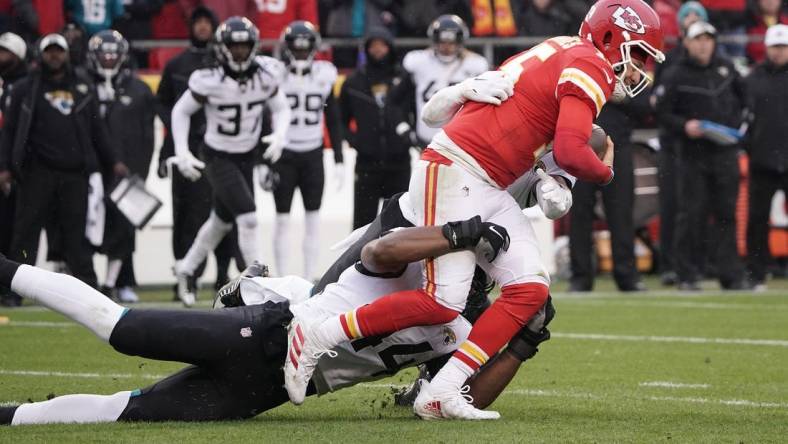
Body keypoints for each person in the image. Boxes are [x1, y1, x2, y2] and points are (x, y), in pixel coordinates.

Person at [284, 0, 665, 420]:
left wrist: (557, 180)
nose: (641, 70)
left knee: (531, 286)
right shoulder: (588, 62)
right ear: (611, 38)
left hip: (487, 182)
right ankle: (319, 333)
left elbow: (557, 151)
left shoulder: (566, 49)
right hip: (455, 167)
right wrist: (606, 173)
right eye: (640, 55)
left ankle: (442, 392)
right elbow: (572, 150)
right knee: (444, 302)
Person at [0, 214, 551, 424]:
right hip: (268, 334)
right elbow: (379, 250)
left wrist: (523, 344)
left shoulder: (467, 331)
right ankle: (6, 271)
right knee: (122, 330)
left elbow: (460, 397)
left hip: (274, 391)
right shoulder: (417, 267)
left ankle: (9, 417)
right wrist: (456, 233)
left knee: (129, 413)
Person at [170, 16, 291, 306]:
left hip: (245, 156)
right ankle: (257, 285)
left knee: (220, 221)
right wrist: (182, 150)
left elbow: (282, 107)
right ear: (223, 47)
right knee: (248, 217)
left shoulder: (265, 75)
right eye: (234, 46)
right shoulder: (209, 78)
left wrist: (280, 135)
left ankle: (186, 269)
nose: (239, 52)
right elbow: (180, 111)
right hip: (217, 154)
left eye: (244, 46)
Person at [0, 34, 128, 306]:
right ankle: (12, 293)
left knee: (76, 237)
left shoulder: (81, 86)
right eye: (50, 52)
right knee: (25, 235)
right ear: (41, 54)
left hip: (74, 175)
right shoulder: (26, 88)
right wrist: (5, 168)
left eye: (59, 51)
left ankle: (89, 292)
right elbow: (9, 131)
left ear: (67, 54)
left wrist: (113, 160)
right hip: (36, 173)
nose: (54, 56)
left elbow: (98, 130)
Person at [655, 21, 748, 291]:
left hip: (725, 151)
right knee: (691, 214)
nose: (703, 44)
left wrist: (740, 127)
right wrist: (684, 126)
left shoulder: (727, 68)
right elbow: (661, 112)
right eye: (698, 39)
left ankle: (730, 274)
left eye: (708, 38)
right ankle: (688, 273)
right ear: (686, 42)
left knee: (726, 213)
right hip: (692, 154)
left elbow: (747, 101)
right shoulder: (676, 74)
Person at [156, 6, 240, 295]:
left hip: (222, 149)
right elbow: (165, 106)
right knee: (187, 215)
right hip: (188, 149)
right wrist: (169, 152)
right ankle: (186, 274)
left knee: (228, 212)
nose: (203, 28)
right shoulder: (177, 65)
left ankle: (223, 274)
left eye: (208, 23)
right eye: (198, 23)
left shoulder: (227, 65)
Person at [267, 20, 344, 281]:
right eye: (296, 49)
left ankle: (310, 278)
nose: (300, 54)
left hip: (312, 153)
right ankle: (280, 278)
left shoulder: (324, 74)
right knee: (281, 218)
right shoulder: (275, 73)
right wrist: (261, 159)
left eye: (304, 49)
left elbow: (333, 117)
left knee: (313, 218)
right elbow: (263, 115)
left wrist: (339, 159)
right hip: (283, 154)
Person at [87, 30, 156, 303]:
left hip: (125, 169)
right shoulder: (82, 84)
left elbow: (147, 135)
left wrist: (141, 170)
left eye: (112, 55)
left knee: (124, 227)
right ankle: (85, 278)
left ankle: (118, 281)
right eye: (103, 55)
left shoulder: (138, 89)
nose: (107, 59)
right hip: (89, 169)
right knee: (85, 226)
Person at [569, 99, 648, 293]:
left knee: (621, 212)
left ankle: (627, 275)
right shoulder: (579, 71)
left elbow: (645, 106)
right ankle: (580, 277)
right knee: (579, 212)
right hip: (580, 144)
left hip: (618, 142)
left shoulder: (624, 71)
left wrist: (621, 97)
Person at [339, 27, 412, 229]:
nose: (378, 49)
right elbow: (340, 118)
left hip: (399, 162)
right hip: (367, 163)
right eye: (373, 45)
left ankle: (401, 263)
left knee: (400, 225)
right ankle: (359, 261)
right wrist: (356, 141)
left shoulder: (404, 79)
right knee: (363, 225)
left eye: (382, 44)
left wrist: (407, 136)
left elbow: (415, 109)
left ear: (390, 47)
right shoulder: (353, 82)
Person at [395, 15, 488, 148]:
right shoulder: (418, 61)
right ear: (434, 41)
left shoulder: (475, 64)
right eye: (442, 42)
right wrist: (403, 126)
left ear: (460, 42)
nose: (447, 47)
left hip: (460, 139)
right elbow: (398, 97)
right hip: (426, 137)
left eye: (451, 43)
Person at [744, 24, 788, 290]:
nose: (779, 52)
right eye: (775, 47)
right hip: (762, 158)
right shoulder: (752, 79)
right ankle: (756, 273)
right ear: (767, 48)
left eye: (783, 47)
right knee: (757, 219)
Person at [0, 32, 26, 261]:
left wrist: (10, 166)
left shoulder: (27, 86)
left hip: (20, 166)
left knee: (16, 225)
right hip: (5, 162)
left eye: (5, 51)